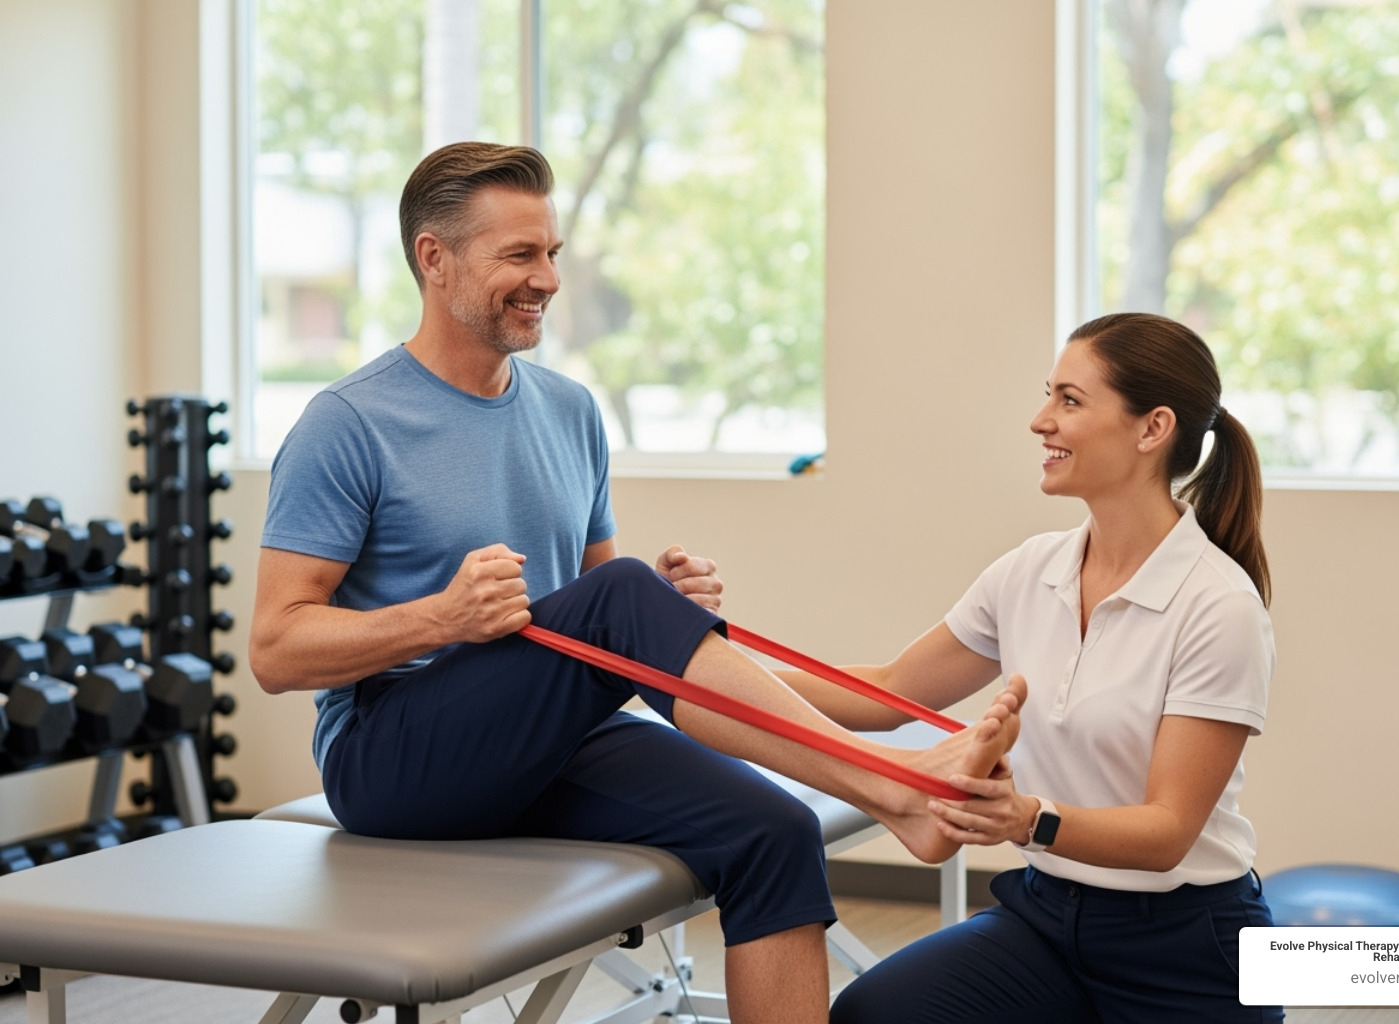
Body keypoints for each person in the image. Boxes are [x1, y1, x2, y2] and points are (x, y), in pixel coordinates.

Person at [248, 140, 1025, 1024]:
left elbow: (588, 605)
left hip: (539, 736)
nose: (546, 278)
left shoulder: (568, 412)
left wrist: (664, 610)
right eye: (519, 255)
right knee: (620, 601)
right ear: (434, 258)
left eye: (551, 255)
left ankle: (890, 790)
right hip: (392, 758)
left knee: (775, 834)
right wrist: (443, 617)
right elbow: (275, 650)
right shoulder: (347, 425)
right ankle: (896, 787)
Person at [788, 312, 1283, 1023]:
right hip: (1046, 922)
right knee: (876, 1015)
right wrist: (703, 662)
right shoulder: (1032, 571)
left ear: (1153, 429)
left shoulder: (1218, 606)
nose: (1039, 421)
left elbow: (1168, 829)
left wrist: (1027, 819)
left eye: (1069, 401)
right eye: (1048, 394)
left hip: (1183, 947)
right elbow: (890, 689)